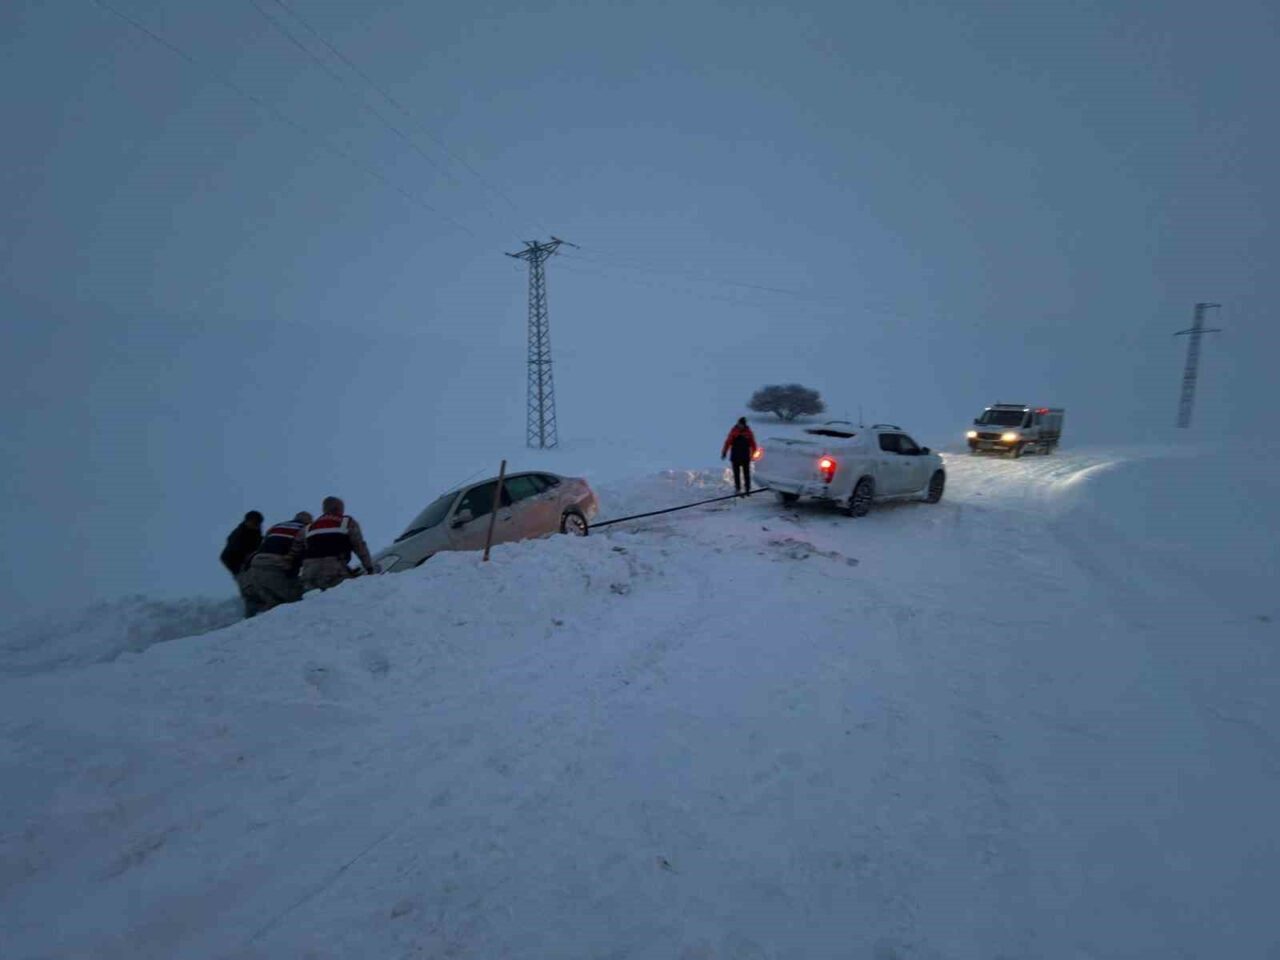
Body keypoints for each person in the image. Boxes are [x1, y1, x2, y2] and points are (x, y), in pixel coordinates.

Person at [239, 511, 313, 617]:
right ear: (308, 521)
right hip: (274, 566)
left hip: (255, 566)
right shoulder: (304, 529)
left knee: (274, 605)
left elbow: (262, 545)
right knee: (296, 600)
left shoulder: (276, 527)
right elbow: (299, 552)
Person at [300, 496, 377, 592]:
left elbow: (304, 550)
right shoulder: (346, 522)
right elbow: (359, 546)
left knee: (316, 600)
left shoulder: (309, 527)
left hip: (309, 574)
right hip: (333, 573)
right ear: (339, 508)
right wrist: (369, 568)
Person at [220, 511, 263, 616]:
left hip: (246, 564)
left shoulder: (255, 532)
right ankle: (251, 617)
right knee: (248, 591)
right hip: (237, 565)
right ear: (248, 521)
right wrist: (239, 569)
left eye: (258, 523)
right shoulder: (239, 534)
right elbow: (235, 553)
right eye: (255, 523)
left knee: (254, 588)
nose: (257, 525)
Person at [721, 416, 758, 496]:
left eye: (741, 424)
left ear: (744, 424)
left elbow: (753, 444)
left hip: (745, 456)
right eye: (739, 424)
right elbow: (727, 442)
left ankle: (747, 489)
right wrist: (724, 452)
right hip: (735, 456)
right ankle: (738, 489)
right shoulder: (734, 431)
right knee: (736, 474)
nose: (740, 425)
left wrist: (754, 454)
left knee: (746, 474)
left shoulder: (748, 432)